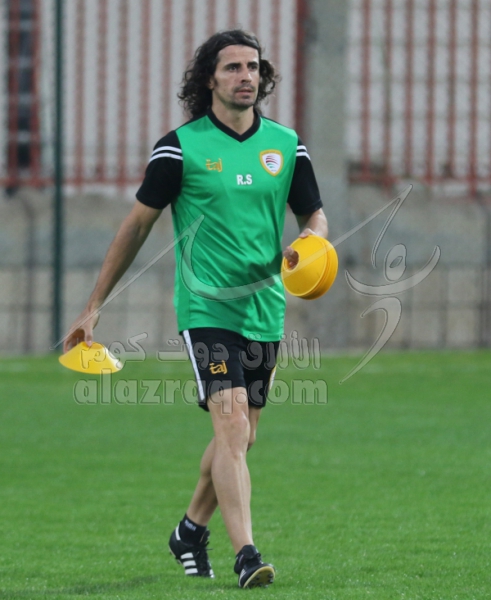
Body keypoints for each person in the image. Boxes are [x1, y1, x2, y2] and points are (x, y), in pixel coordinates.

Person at [63, 29, 328, 589]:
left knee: (243, 437)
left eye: (253, 66)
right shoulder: (180, 148)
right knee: (230, 424)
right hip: (206, 309)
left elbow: (314, 215)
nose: (245, 76)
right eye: (232, 67)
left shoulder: (286, 145)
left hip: (264, 307)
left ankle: (189, 530)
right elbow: (137, 226)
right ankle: (247, 554)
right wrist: (93, 306)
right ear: (209, 78)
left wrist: (311, 244)